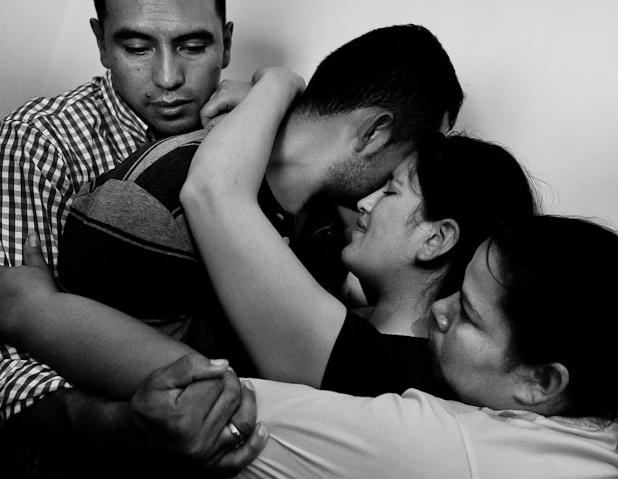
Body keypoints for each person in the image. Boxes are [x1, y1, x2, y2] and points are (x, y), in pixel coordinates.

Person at [0, 216, 618, 479]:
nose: (439, 310)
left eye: (468, 315)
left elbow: (206, 395)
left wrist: (30, 311)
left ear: (542, 382)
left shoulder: (445, 458)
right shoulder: (594, 439)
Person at [0, 0, 240, 479]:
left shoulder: (241, 134)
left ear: (227, 43)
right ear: (100, 43)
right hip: (48, 476)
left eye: (192, 46)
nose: (167, 77)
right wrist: (115, 424)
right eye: (137, 48)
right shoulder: (38, 143)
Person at [52, 26, 467, 388]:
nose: (414, 174)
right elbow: (117, 399)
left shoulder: (329, 230)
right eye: (419, 153)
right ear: (375, 132)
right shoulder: (155, 200)